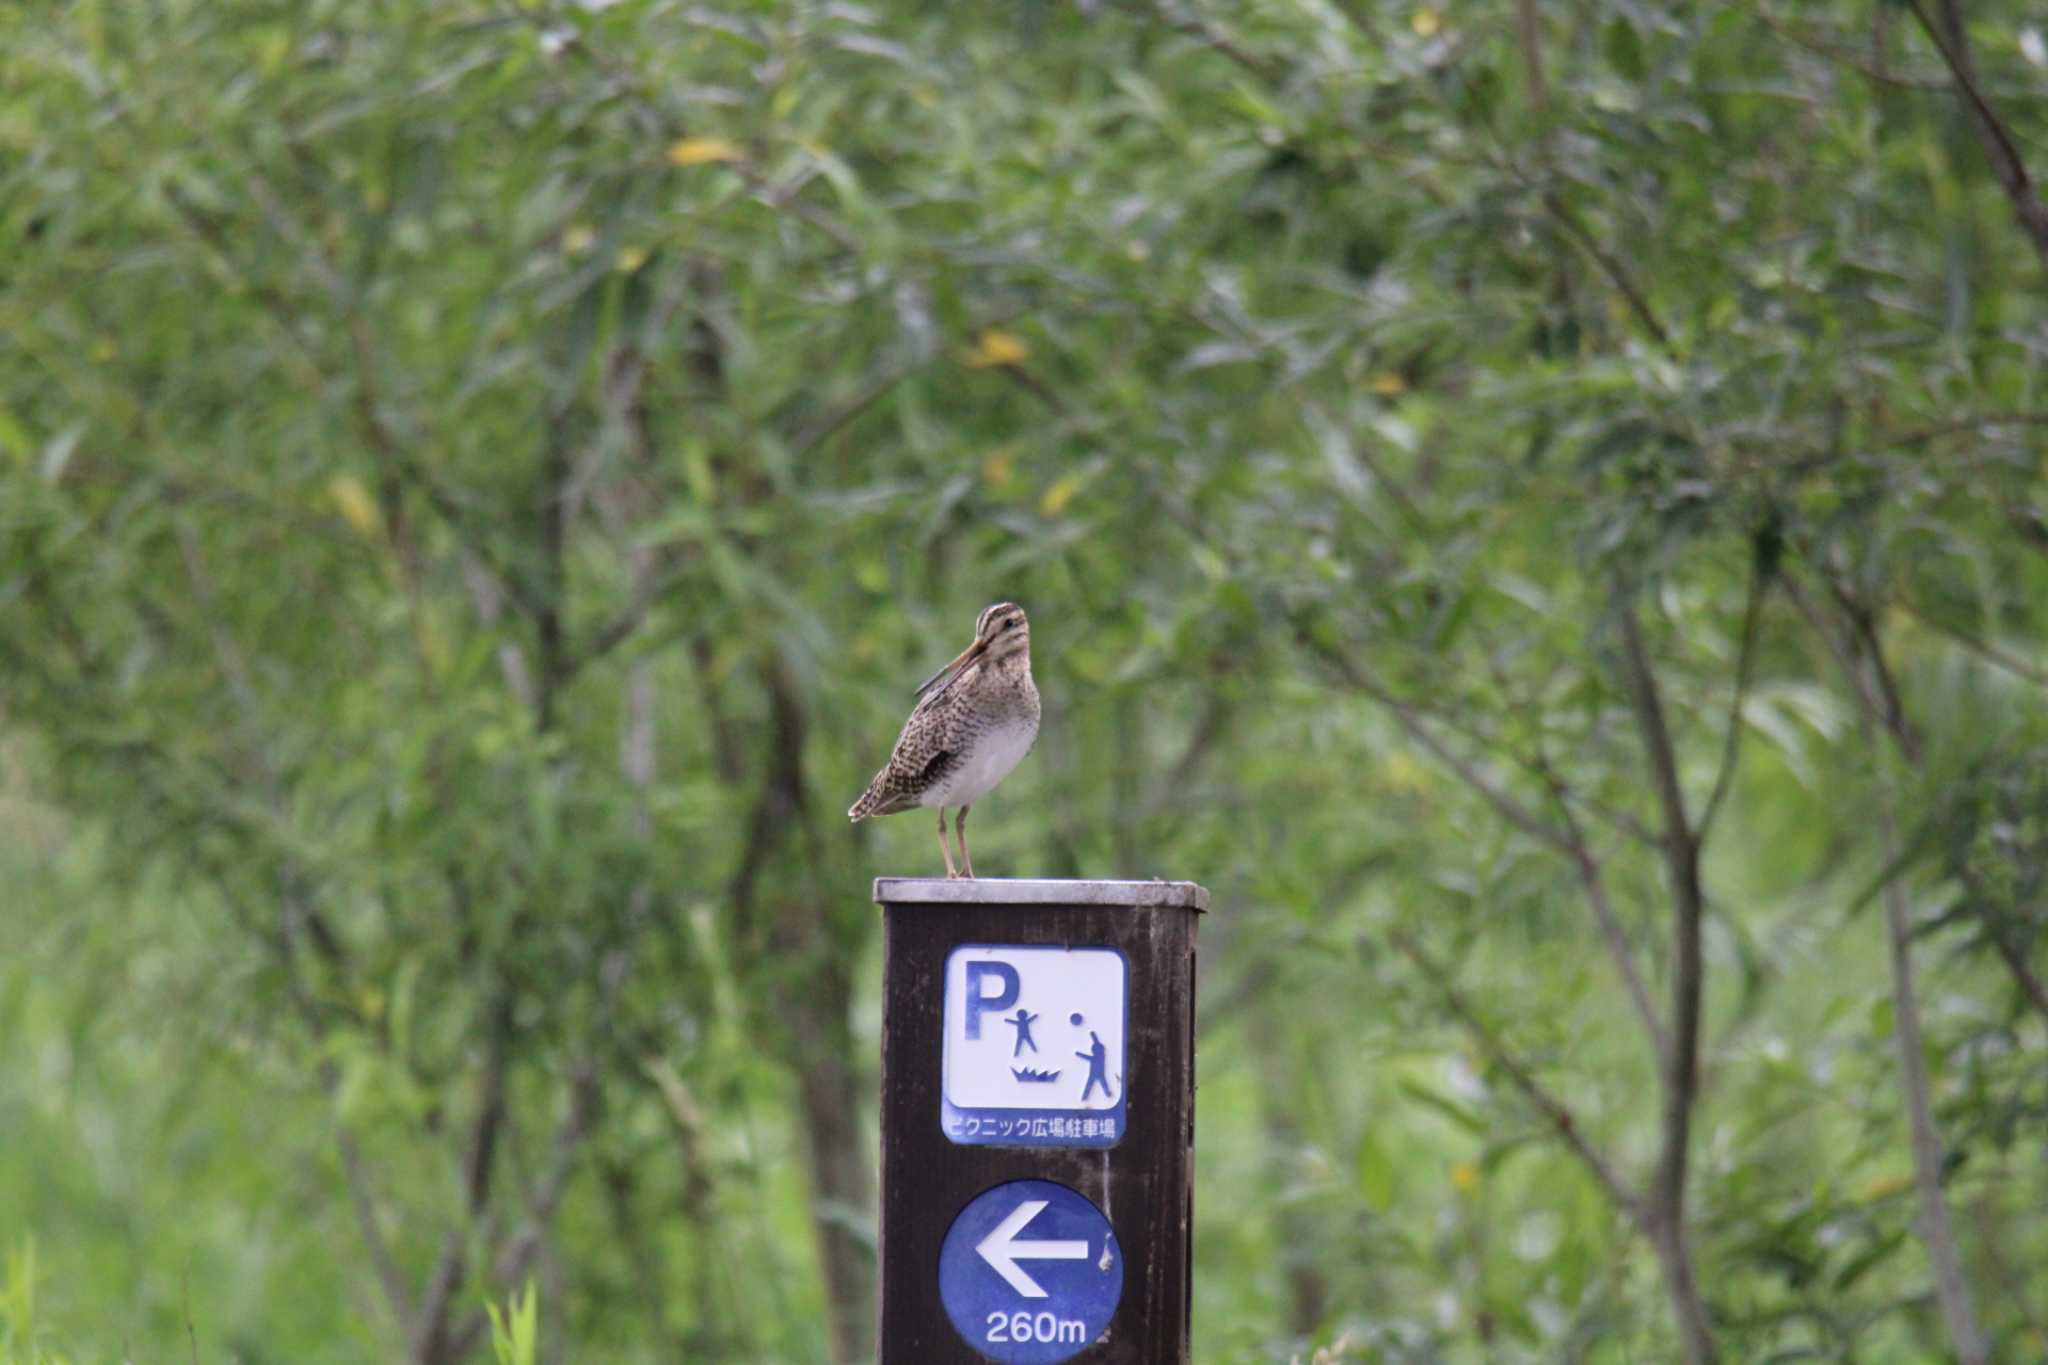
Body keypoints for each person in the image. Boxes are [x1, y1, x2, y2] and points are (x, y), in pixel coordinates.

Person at [1076, 1031, 1113, 1101]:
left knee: (1095, 1085)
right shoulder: (1101, 1056)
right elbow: (1097, 1044)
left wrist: (1079, 1054)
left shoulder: (1099, 1056)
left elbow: (1089, 1057)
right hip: (1097, 1073)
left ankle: (1085, 1097)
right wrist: (1093, 1036)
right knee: (1097, 1085)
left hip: (1096, 1073)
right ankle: (1085, 1097)